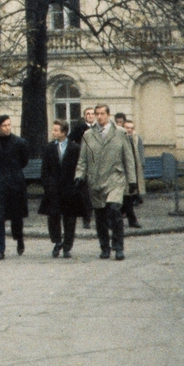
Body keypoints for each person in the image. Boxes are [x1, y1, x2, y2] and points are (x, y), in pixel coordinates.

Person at [77, 105, 128, 260]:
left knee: (114, 209)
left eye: (102, 114)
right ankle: (104, 247)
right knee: (100, 216)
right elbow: (83, 159)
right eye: (96, 114)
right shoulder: (88, 134)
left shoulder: (120, 133)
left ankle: (118, 247)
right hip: (96, 180)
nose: (99, 117)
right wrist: (79, 176)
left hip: (115, 178)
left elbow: (128, 158)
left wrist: (132, 181)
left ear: (108, 115)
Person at [0, 115, 30, 259]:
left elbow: (24, 161)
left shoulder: (19, 143)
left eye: (9, 125)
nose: (8, 128)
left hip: (15, 184)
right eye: (4, 125)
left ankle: (19, 238)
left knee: (17, 217)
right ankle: (0, 249)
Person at [39, 119, 87, 258]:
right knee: (53, 217)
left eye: (56, 130)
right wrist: (47, 185)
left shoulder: (74, 148)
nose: (53, 132)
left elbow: (80, 167)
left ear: (64, 132)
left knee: (69, 219)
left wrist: (77, 184)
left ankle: (67, 245)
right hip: (53, 189)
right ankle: (57, 241)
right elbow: (45, 169)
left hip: (69, 188)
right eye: (53, 130)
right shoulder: (49, 148)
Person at [118, 115, 145, 229]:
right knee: (126, 198)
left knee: (127, 199)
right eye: (127, 127)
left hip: (133, 173)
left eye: (131, 128)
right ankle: (131, 220)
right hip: (122, 173)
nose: (129, 130)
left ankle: (126, 220)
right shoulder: (119, 139)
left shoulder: (135, 139)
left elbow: (139, 154)